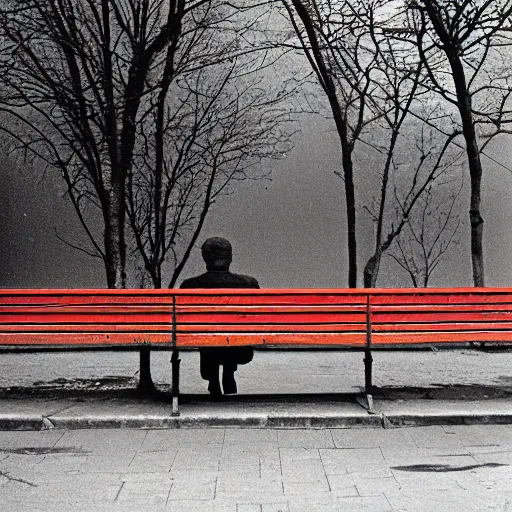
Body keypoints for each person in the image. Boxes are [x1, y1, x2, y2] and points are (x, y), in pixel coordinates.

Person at [179, 237, 259, 397]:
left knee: (209, 333)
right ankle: (228, 374)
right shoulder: (249, 284)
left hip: (206, 342)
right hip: (239, 345)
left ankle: (213, 380)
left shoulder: (190, 286)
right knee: (229, 334)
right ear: (230, 257)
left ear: (205, 257)